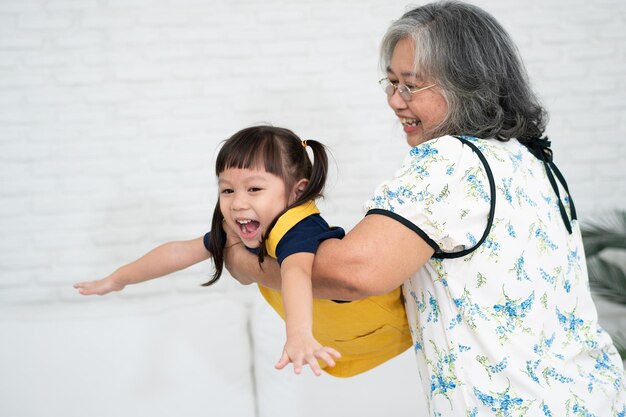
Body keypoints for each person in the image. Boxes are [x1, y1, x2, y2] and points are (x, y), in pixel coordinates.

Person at [223, 2, 626, 416]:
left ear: (466, 85)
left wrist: (243, 261)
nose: (395, 101)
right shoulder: (533, 160)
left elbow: (354, 272)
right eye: (391, 82)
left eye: (411, 86)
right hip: (598, 397)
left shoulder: (451, 161)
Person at [74, 125, 346, 376]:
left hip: (361, 314)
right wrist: (118, 279)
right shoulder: (238, 231)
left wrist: (298, 334)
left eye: (254, 188)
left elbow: (296, 271)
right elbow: (177, 253)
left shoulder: (300, 228)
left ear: (297, 193)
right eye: (227, 190)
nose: (237, 202)